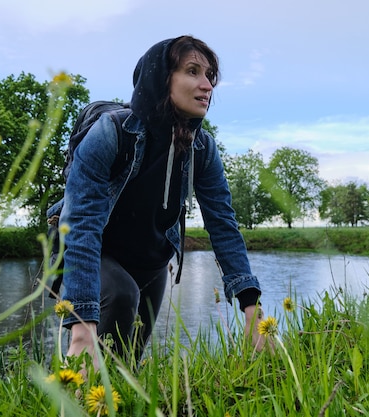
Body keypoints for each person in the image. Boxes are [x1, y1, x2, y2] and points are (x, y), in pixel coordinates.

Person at [55, 35, 267, 363]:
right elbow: (81, 225)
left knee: (125, 365)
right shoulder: (110, 133)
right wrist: (82, 325)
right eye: (192, 71)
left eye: (209, 76)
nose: (206, 85)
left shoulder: (202, 149)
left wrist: (252, 308)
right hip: (90, 256)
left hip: (151, 263)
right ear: (160, 78)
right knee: (104, 329)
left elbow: (223, 225)